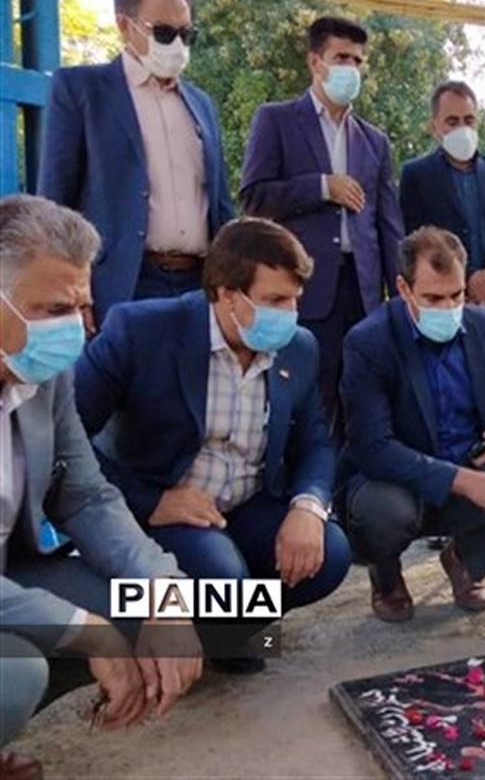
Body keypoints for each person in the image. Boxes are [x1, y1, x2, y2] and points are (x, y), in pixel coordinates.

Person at [74, 217, 351, 674]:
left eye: (295, 299)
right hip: (165, 512)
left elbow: (315, 441)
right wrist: (152, 501)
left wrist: (308, 506)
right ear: (226, 293)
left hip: (246, 502)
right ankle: (190, 628)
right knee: (222, 579)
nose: (289, 314)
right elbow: (68, 438)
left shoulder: (298, 347)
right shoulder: (142, 331)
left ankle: (225, 631)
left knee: (329, 553)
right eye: (275, 300)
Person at [0, 195, 202, 775]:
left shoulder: (46, 374)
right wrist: (89, 633)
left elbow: (86, 495)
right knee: (17, 671)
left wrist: (164, 590)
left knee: (153, 610)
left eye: (81, 306)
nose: (74, 327)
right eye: (54, 308)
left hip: (13, 573)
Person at [341, 226, 485, 623]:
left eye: (456, 295)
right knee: (384, 514)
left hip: (469, 468)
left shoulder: (484, 326)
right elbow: (372, 448)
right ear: (404, 289)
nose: (447, 308)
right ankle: (386, 576)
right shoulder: (369, 341)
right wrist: (462, 480)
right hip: (395, 482)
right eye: (433, 298)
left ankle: (465, 562)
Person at [240, 16, 404, 434]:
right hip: (304, 290)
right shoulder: (276, 120)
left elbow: (388, 226)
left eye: (358, 60)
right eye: (341, 57)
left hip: (363, 295)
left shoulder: (374, 141)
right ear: (316, 62)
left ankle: (352, 476)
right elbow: (254, 197)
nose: (351, 68)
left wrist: (400, 297)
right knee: (308, 404)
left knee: (361, 405)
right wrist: (322, 187)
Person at [37, 0, 234, 326]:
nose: (177, 45)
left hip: (199, 284)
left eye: (186, 34)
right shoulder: (82, 90)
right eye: (164, 33)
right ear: (124, 25)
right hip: (121, 284)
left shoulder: (201, 104)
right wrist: (68, 296)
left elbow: (219, 202)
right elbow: (55, 203)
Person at [399, 81, 485, 371]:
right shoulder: (417, 176)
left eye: (469, 120)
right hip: (438, 308)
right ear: (434, 126)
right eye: (452, 121)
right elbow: (412, 240)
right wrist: (466, 280)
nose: (462, 128)